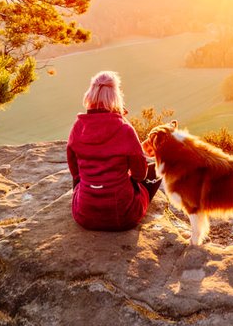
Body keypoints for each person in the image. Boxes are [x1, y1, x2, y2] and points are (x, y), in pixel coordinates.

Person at [67, 71, 162, 231]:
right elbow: (139, 174)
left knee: (80, 185)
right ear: (116, 97)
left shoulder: (78, 127)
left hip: (85, 215)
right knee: (153, 175)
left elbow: (75, 172)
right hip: (123, 215)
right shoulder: (125, 129)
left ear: (90, 95)